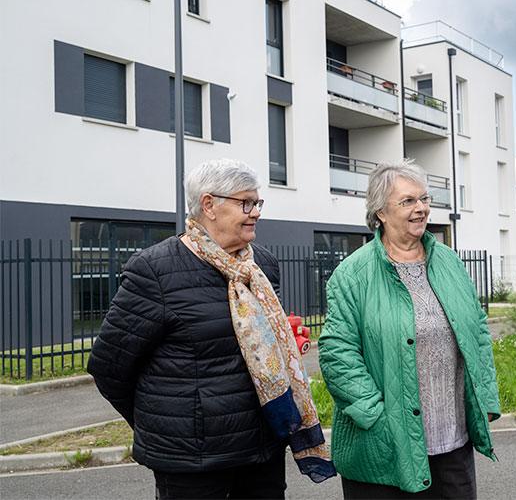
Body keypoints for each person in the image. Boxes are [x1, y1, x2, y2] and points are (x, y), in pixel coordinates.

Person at [88, 158, 334, 499]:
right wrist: (166, 422)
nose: (256, 212)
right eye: (246, 203)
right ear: (209, 205)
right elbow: (109, 366)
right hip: (193, 463)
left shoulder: (261, 265)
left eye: (258, 202)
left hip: (261, 451)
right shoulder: (155, 270)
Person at [318, 160, 501, 499]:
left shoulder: (450, 262)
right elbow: (337, 354)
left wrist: (485, 396)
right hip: (385, 446)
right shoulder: (353, 274)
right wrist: (377, 418)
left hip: (451, 443)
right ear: (381, 213)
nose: (421, 209)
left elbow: (477, 331)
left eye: (424, 199)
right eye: (408, 201)